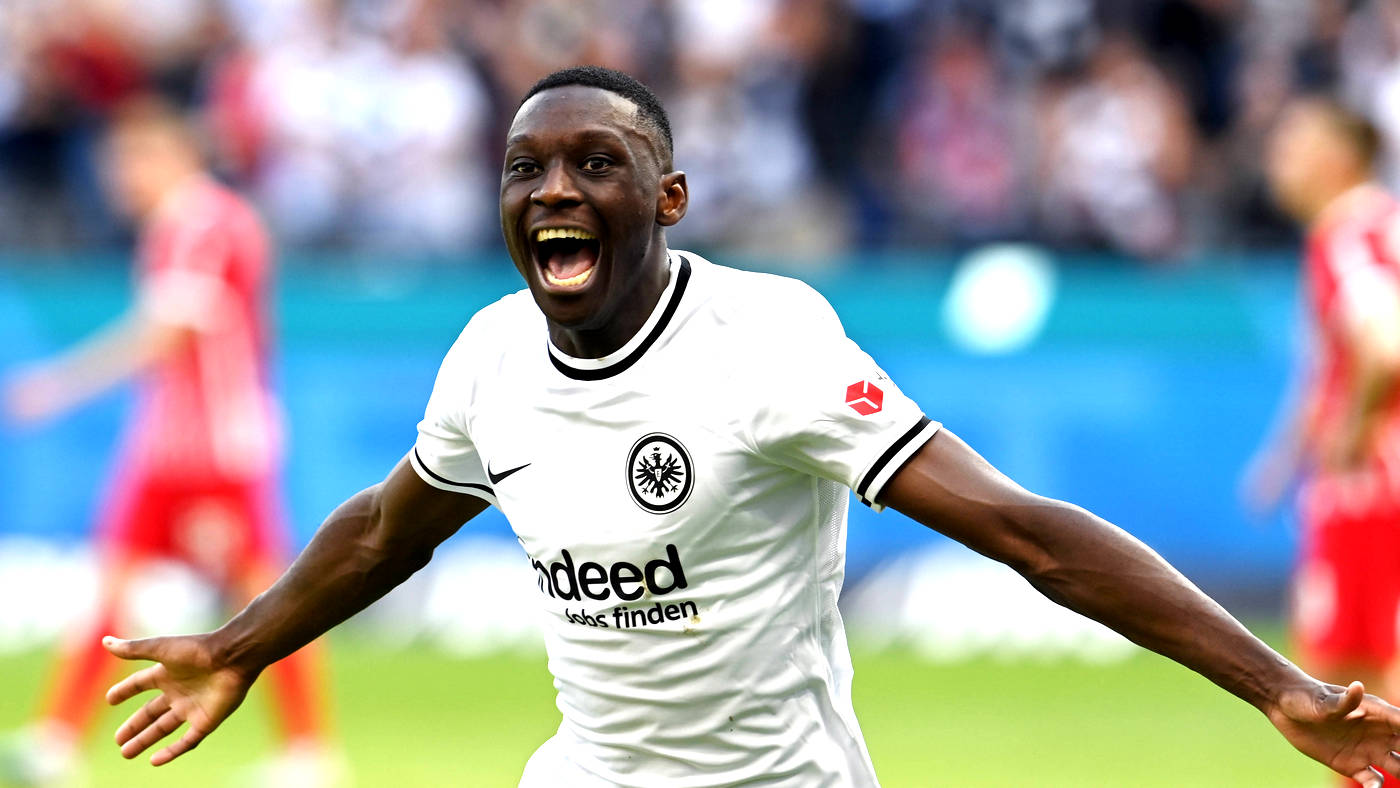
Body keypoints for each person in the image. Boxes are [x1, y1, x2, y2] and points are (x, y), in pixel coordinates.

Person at [100, 67, 1400, 787]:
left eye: (595, 163)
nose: (553, 189)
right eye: (525, 168)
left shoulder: (766, 344)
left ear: (668, 196)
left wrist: (1280, 689)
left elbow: (1028, 533)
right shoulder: (490, 355)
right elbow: (388, 527)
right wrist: (238, 645)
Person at [1, 96, 334, 786]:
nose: (118, 180)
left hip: (216, 448)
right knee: (115, 586)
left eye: (127, 163)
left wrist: (59, 385)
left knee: (264, 597)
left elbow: (169, 331)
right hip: (166, 445)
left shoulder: (204, 222)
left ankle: (310, 751)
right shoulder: (185, 225)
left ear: (167, 155)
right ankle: (57, 738)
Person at [1244, 96, 1400, 785]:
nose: (1277, 160)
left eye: (1293, 144)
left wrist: (1353, 431)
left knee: (1348, 694)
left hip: (1373, 484)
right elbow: (1326, 373)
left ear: (1338, 157)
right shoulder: (1383, 225)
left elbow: (1385, 345)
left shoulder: (1346, 234)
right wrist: (1285, 460)